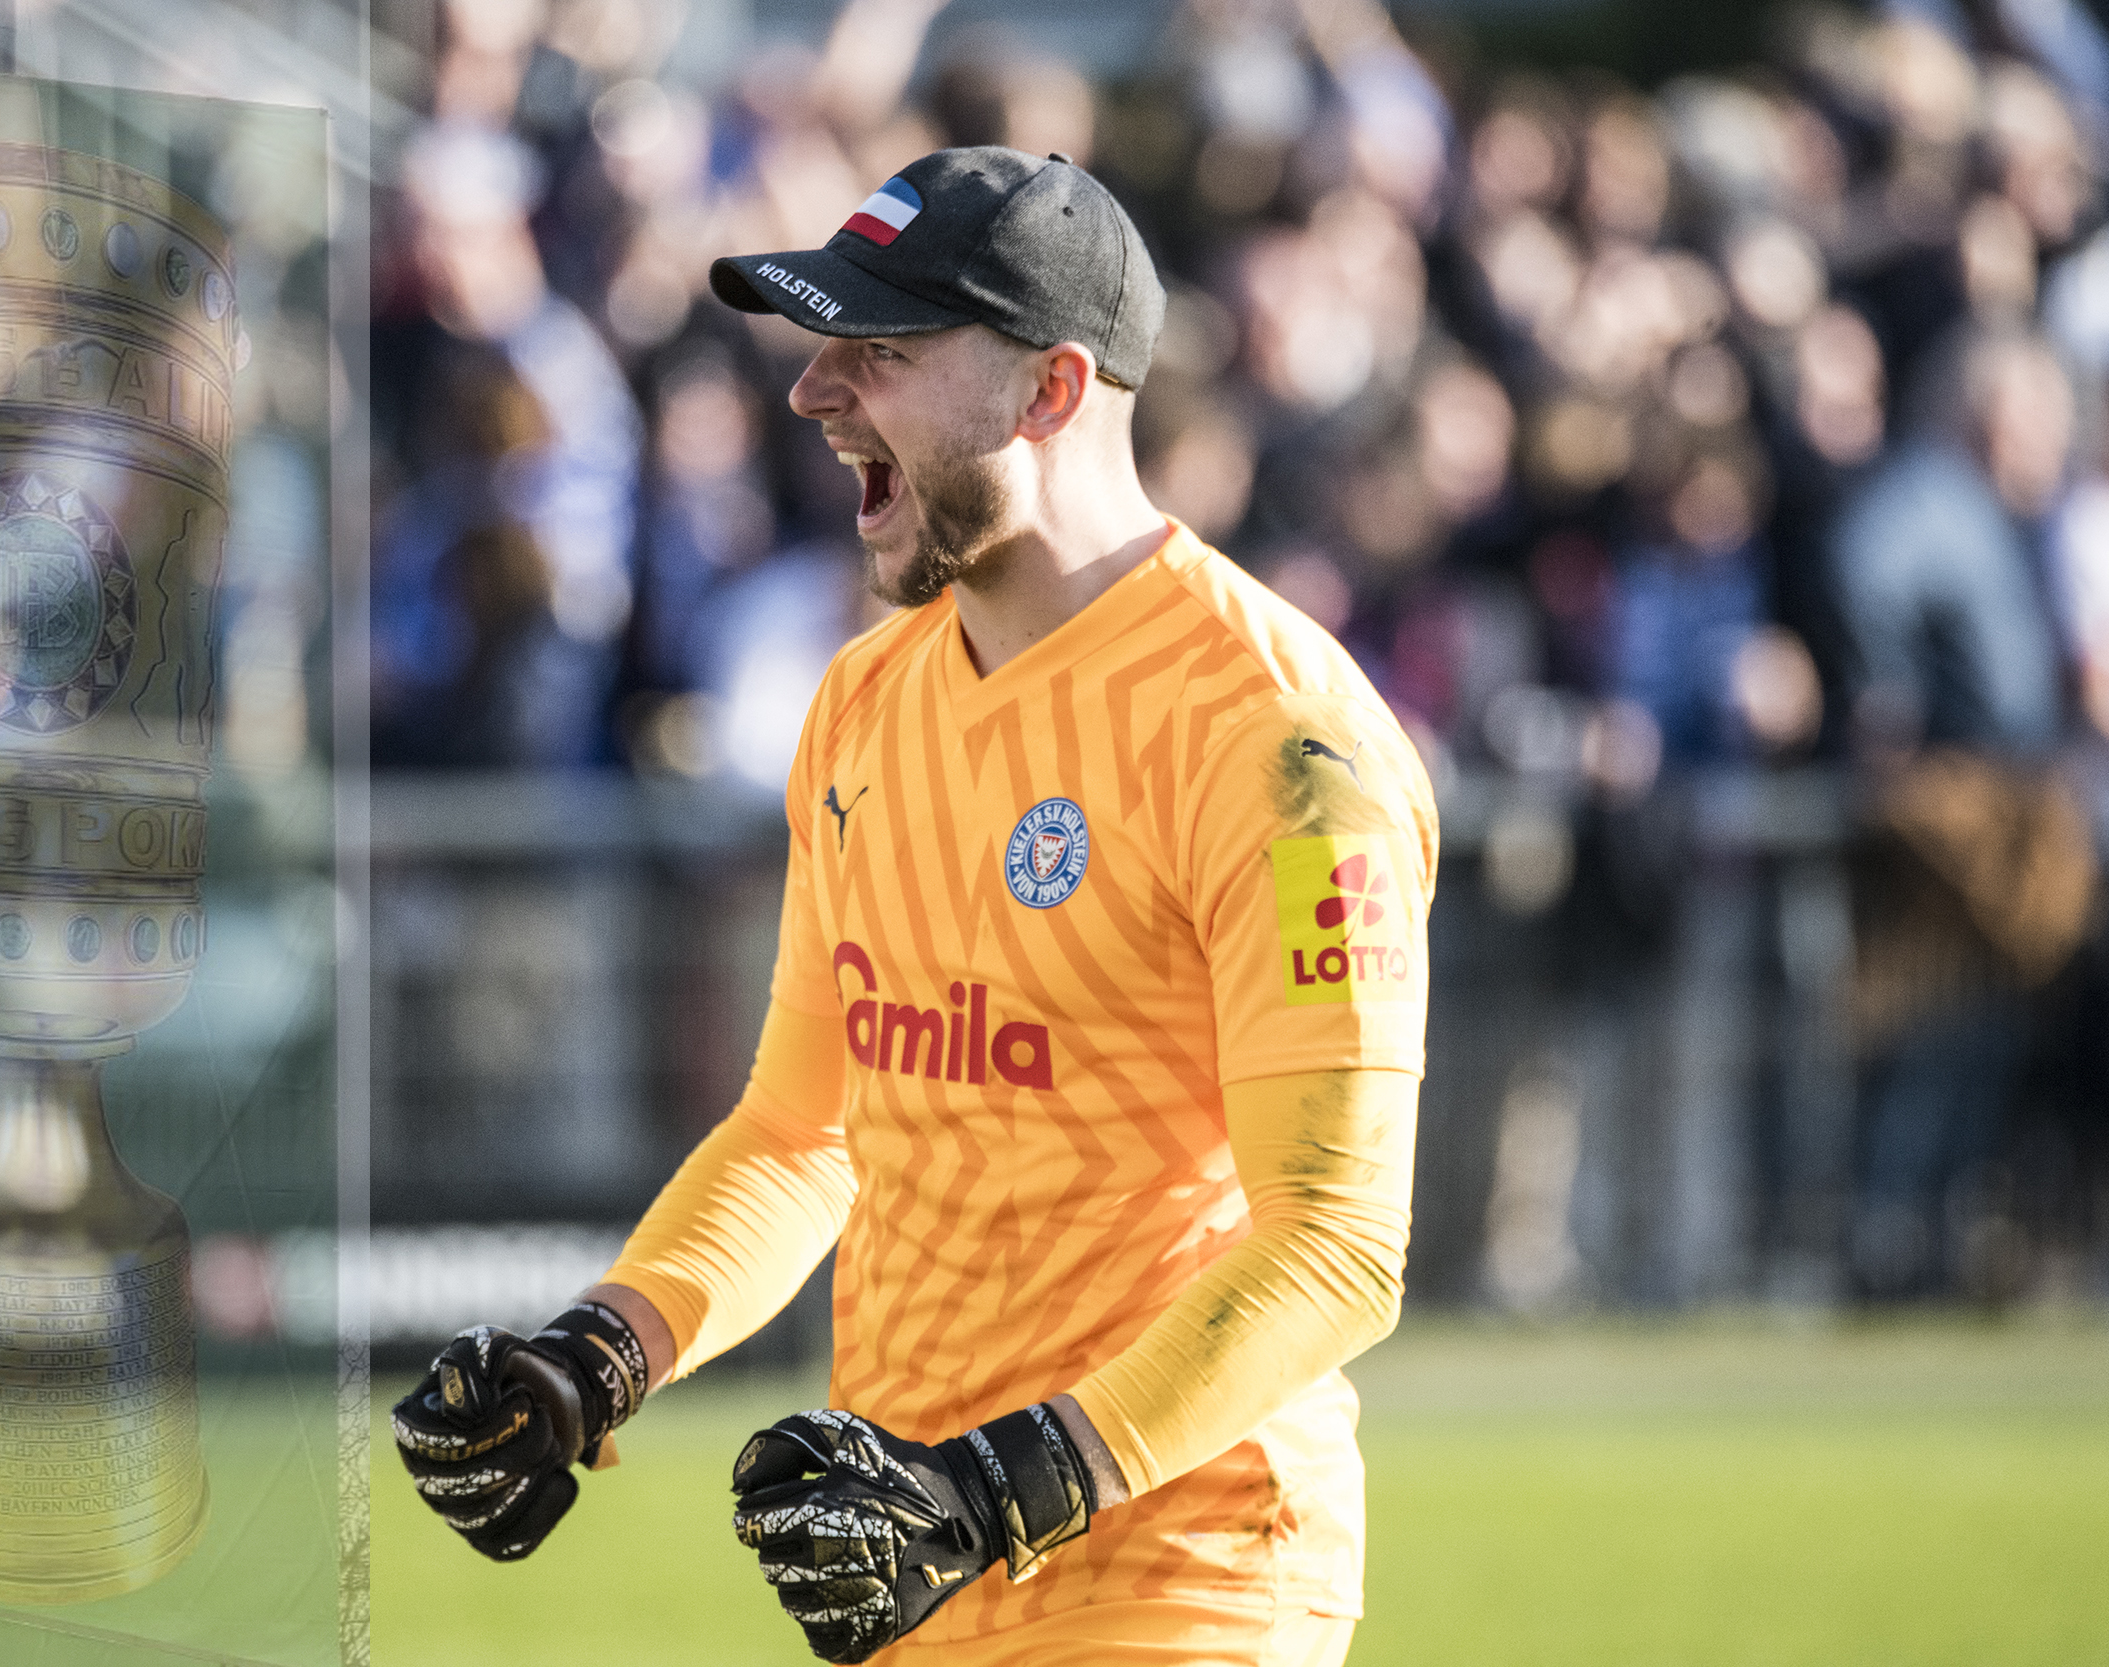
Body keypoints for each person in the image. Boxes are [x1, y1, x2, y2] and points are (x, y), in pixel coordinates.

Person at [393, 147, 1437, 1667]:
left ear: (1052, 391)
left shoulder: (1279, 744)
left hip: (1180, 1578)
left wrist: (1009, 1485)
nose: (815, 395)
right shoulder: (865, 701)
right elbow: (801, 1134)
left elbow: (1335, 1246)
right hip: (912, 1570)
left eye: (880, 353)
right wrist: (601, 1353)